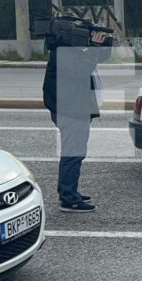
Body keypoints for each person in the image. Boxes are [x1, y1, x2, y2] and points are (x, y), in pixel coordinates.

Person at [42, 30, 112, 212]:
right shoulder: (61, 52)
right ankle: (68, 198)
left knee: (75, 152)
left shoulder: (70, 50)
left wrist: (102, 43)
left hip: (75, 107)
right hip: (70, 111)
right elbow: (82, 69)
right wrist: (93, 47)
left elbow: (99, 58)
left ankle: (68, 190)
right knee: (73, 154)